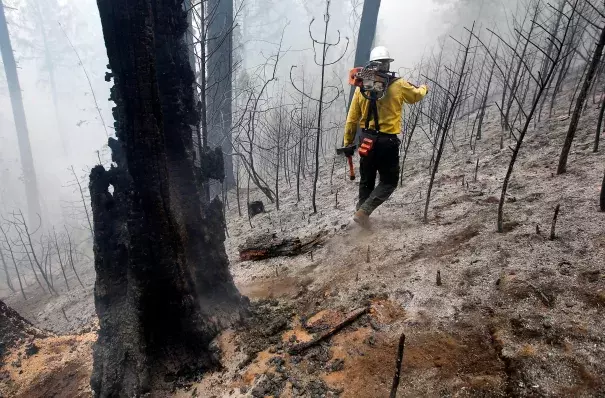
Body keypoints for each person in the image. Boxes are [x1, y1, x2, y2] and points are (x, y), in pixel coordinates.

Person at [344, 46, 428, 229]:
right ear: (388, 64)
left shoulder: (361, 88)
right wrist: (424, 88)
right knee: (389, 181)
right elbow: (416, 97)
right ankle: (363, 213)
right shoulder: (398, 85)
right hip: (387, 142)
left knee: (366, 181)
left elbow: (352, 119)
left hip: (365, 141)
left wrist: (348, 142)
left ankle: (362, 221)